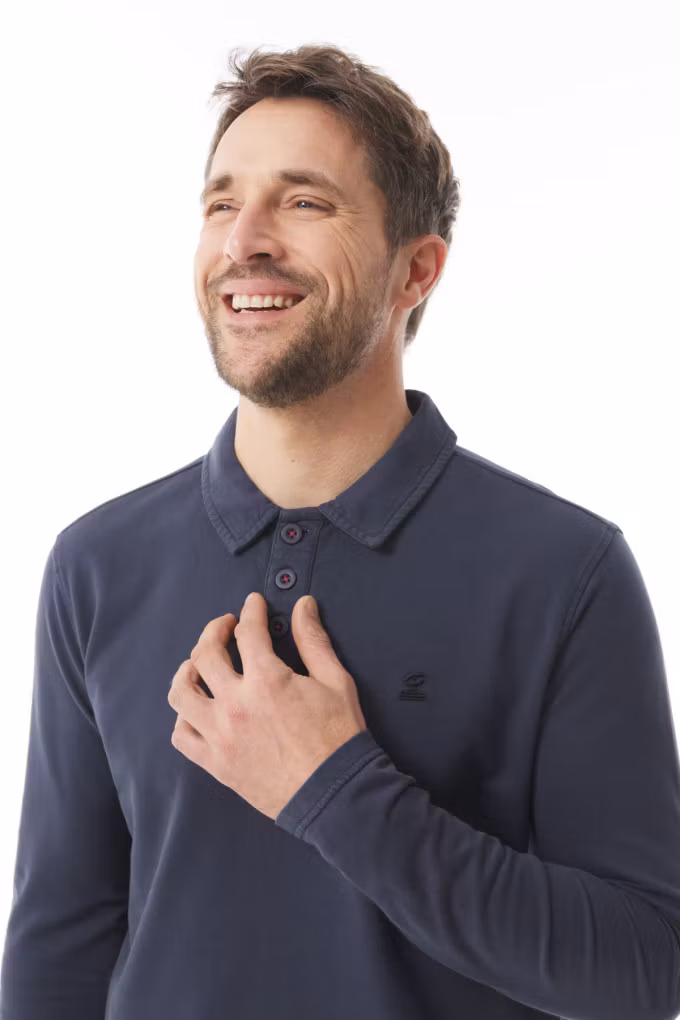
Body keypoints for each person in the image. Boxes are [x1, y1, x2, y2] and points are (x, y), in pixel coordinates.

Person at [2, 42, 680, 1020]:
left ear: (417, 270)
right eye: (221, 203)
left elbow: (642, 968)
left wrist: (332, 788)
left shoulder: (563, 571)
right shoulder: (97, 565)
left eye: (303, 202)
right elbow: (59, 948)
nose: (244, 241)